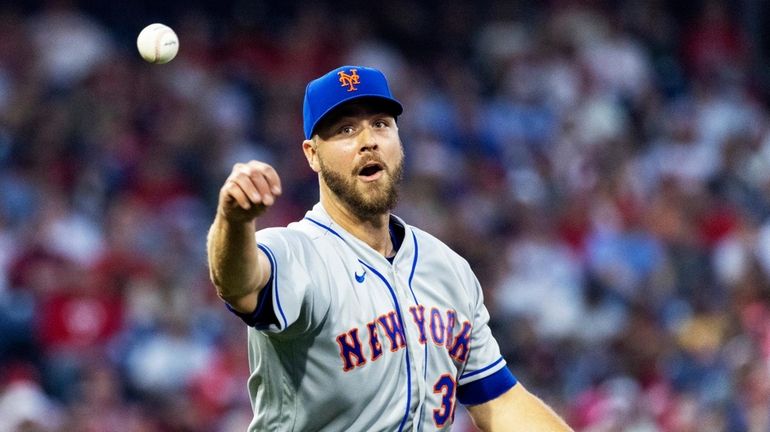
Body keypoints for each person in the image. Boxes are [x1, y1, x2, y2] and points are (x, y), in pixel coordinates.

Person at [207, 65, 573, 431]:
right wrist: (234, 221)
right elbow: (239, 283)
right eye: (345, 130)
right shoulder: (297, 252)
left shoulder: (447, 267)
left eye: (380, 124)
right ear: (312, 154)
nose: (368, 140)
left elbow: (498, 399)